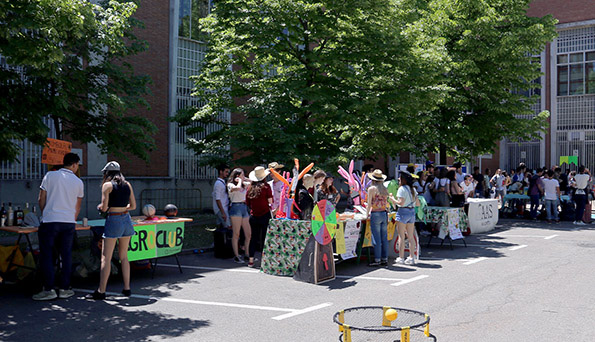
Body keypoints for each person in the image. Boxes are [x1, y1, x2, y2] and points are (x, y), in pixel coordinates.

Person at [33, 153, 84, 301]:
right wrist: (71, 219)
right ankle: (64, 288)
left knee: (47, 255)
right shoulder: (78, 182)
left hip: (50, 220)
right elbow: (78, 207)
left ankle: (48, 289)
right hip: (68, 222)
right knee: (66, 255)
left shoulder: (50, 176)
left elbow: (41, 198)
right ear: (74, 164)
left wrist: (46, 212)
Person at [88, 161, 137, 300]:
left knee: (106, 257)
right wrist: (122, 207)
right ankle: (127, 288)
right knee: (124, 256)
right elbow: (133, 206)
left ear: (106, 173)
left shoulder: (107, 185)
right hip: (127, 219)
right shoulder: (127, 184)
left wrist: (102, 207)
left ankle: (101, 291)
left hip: (114, 219)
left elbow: (103, 208)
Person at [246, 166, 273, 267]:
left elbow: (247, 203)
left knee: (254, 237)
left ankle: (251, 260)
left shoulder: (250, 188)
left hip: (253, 216)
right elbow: (270, 201)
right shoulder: (266, 187)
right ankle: (264, 261)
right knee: (264, 238)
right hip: (265, 215)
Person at [365, 170, 392, 266]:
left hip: (375, 213)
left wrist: (366, 214)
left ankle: (377, 259)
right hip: (384, 213)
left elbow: (369, 204)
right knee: (384, 237)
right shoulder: (385, 189)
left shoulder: (371, 189)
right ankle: (384, 259)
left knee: (376, 238)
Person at [392, 170, 418, 265]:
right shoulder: (413, 189)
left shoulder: (401, 189)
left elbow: (401, 203)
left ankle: (401, 257)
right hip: (411, 211)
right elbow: (417, 203)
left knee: (401, 236)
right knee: (411, 236)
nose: (398, 179)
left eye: (400, 178)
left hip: (403, 212)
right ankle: (411, 257)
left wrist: (393, 200)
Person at [227, 168, 251, 263]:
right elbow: (236, 188)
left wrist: (245, 179)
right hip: (236, 207)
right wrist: (240, 181)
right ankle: (236, 256)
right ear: (237, 176)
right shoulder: (230, 184)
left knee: (248, 233)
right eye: (242, 174)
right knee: (236, 233)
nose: (243, 176)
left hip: (244, 207)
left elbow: (254, 182)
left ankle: (247, 254)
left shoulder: (244, 184)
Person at [213, 164, 230, 229]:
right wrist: (223, 212)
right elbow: (218, 199)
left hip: (223, 208)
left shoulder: (222, 182)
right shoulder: (218, 184)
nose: (227, 174)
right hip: (221, 209)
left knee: (221, 227)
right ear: (221, 172)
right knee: (228, 226)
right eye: (226, 172)